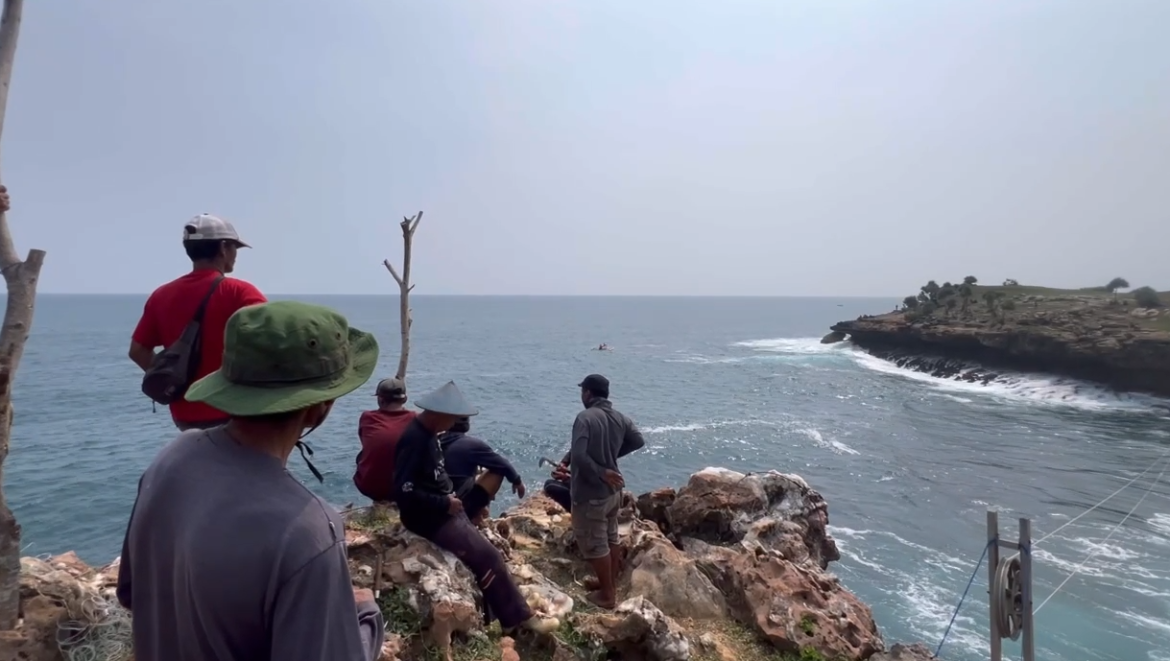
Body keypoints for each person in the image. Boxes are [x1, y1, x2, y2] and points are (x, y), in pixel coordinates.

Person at [116, 301, 385, 661]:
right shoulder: (307, 532)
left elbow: (131, 594)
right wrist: (366, 621)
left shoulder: (171, 458)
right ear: (321, 404)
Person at [393, 381, 558, 634]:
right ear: (440, 414)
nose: (453, 425)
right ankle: (516, 620)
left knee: (485, 553)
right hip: (431, 517)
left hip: (445, 508)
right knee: (489, 557)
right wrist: (445, 502)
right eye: (453, 419)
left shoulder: (428, 434)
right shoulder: (415, 440)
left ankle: (500, 615)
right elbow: (403, 491)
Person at [129, 214, 267, 431]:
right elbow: (274, 341)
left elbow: (138, 350)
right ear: (223, 248)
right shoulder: (239, 293)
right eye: (234, 248)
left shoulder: (161, 295)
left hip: (185, 417)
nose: (235, 255)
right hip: (233, 414)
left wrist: (179, 379)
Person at [563, 373, 645, 609]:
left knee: (594, 543)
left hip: (591, 494)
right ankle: (607, 584)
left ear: (587, 393)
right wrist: (610, 458)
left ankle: (608, 596)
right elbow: (638, 441)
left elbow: (580, 454)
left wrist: (599, 470)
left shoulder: (584, 418)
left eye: (582, 392)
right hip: (613, 493)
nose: (581, 395)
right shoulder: (619, 418)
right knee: (611, 537)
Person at [439, 416, 526, 524]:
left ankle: (479, 512)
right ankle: (475, 515)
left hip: (439, 501)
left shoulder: (438, 440)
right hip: (459, 504)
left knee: (477, 472)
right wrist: (517, 481)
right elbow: (503, 465)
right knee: (497, 472)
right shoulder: (469, 444)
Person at [353, 376, 416, 503]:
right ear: (405, 399)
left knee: (363, 455)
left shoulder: (367, 418)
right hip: (403, 488)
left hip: (369, 486)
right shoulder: (416, 419)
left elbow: (366, 442)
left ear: (380, 399)